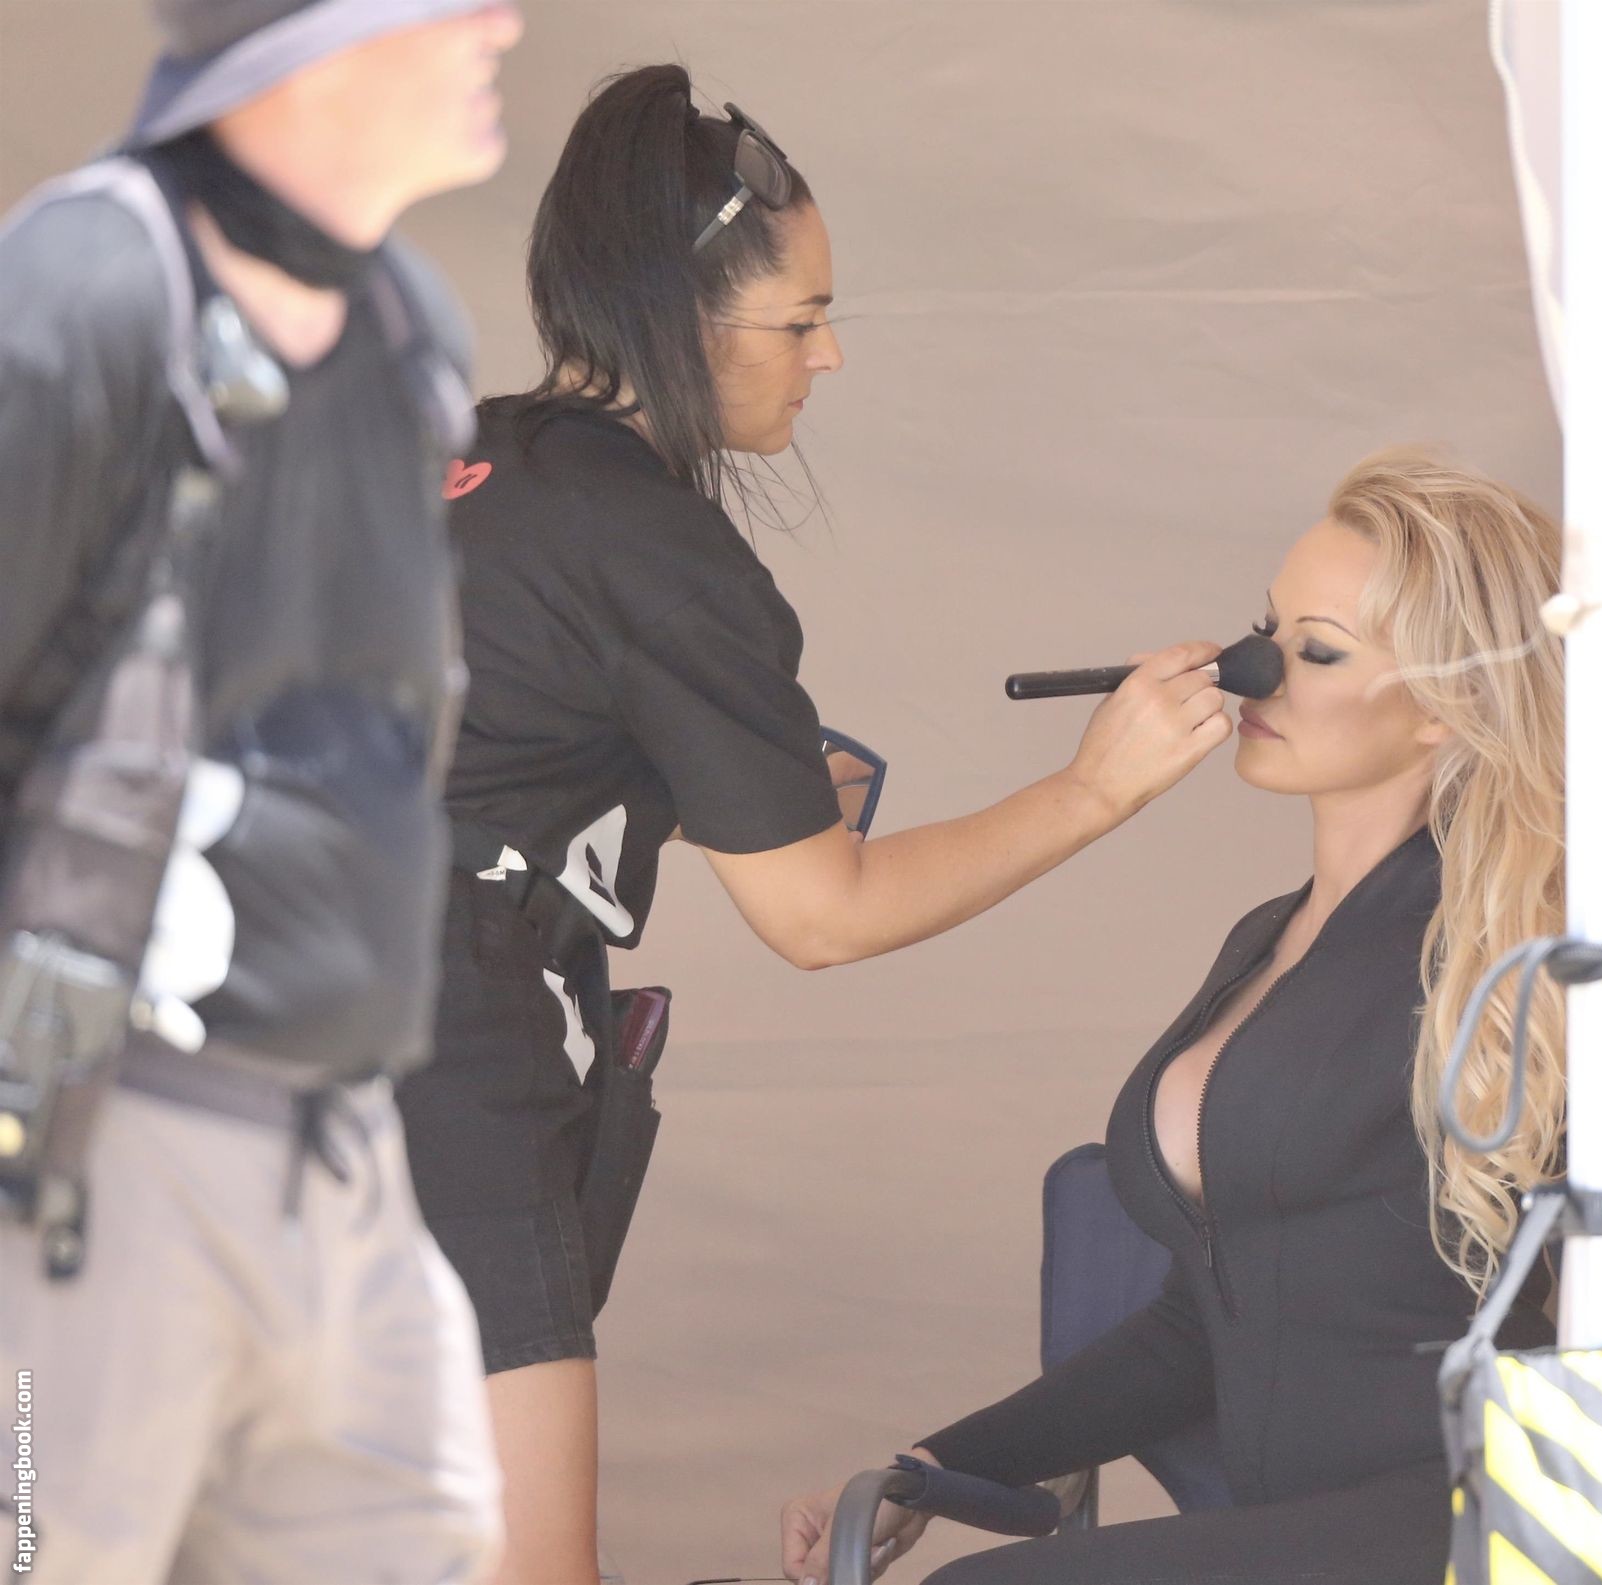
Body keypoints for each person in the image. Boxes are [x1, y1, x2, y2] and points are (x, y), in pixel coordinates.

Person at [394, 62, 1234, 1585]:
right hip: (435, 1053)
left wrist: (682, 791)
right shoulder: (661, 551)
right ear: (680, 318)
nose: (827, 355)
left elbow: (459, 751)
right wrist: (1093, 789)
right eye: (799, 322)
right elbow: (820, 918)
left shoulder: (451, 460)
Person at [779, 449, 1568, 1585]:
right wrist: (936, 1466)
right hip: (1297, 1528)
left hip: (1471, 1522)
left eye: (1318, 650)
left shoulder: (1506, 957)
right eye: (1265, 628)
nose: (1256, 670)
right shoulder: (1267, 939)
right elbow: (1203, 1324)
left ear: (1449, 707)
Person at [0, 4, 524, 1582]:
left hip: (342, 1160)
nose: (503, 22)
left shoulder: (410, 331)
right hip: (89, 1169)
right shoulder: (85, 294)